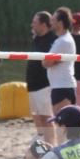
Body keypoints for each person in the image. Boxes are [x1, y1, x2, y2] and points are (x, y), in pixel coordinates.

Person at [25, 11, 57, 144]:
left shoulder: (52, 40)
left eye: (35, 22)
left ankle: (50, 145)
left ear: (44, 24)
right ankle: (43, 142)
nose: (32, 25)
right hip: (33, 85)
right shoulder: (37, 38)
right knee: (37, 117)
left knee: (46, 118)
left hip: (44, 85)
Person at [42, 7, 77, 113]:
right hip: (62, 85)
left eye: (53, 20)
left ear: (60, 23)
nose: (50, 22)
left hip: (62, 87)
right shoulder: (64, 40)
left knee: (63, 124)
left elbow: (46, 63)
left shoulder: (63, 41)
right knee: (64, 124)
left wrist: (48, 61)